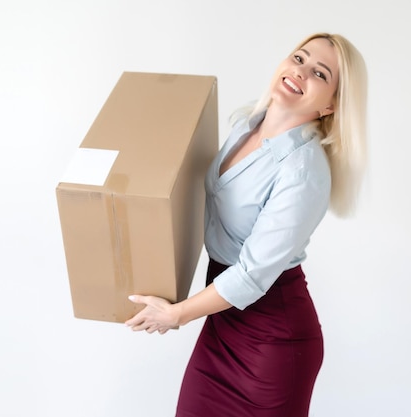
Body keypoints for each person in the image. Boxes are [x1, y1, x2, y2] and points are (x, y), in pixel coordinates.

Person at [125, 32, 368, 417]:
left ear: (331, 106)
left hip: (272, 341)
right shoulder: (245, 125)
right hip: (224, 322)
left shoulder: (304, 171)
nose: (300, 72)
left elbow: (253, 276)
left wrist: (176, 314)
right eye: (299, 58)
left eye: (320, 74)